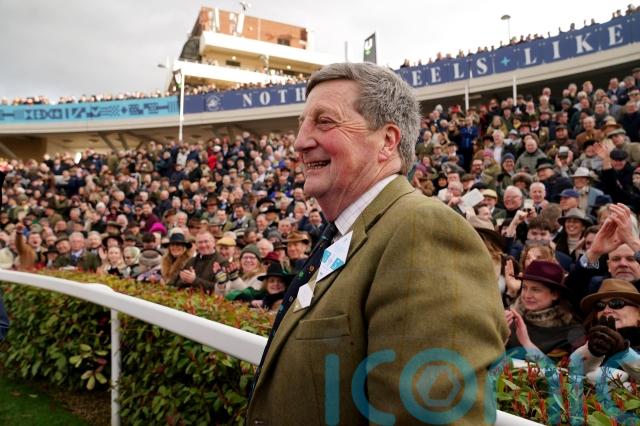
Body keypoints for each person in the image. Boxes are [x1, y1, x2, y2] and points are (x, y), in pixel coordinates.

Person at [248, 62, 507, 424]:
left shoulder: (423, 229)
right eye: (302, 124)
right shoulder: (349, 234)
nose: (300, 142)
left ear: (387, 141)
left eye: (324, 122)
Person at [505, 260, 585, 360]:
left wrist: (527, 343)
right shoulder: (509, 316)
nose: (527, 295)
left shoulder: (570, 332)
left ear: (555, 294)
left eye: (535, 289)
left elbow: (554, 369)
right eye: (524, 288)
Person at [571, 279, 640, 384]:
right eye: (600, 306)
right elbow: (569, 374)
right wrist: (592, 353)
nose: (606, 310)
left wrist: (623, 352)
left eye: (616, 303)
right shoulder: (583, 343)